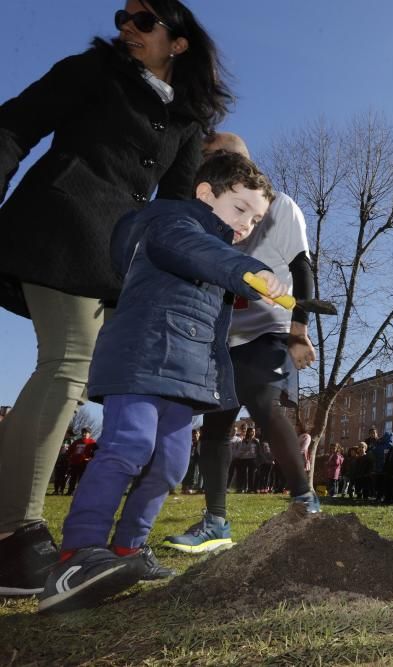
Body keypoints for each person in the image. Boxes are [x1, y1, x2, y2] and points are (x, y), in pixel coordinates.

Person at [0, 0, 232, 596]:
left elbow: (175, 213)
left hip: (116, 264)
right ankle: (13, 537)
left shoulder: (184, 119)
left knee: (97, 373)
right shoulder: (92, 72)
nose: (126, 27)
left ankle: (115, 542)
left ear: (177, 42)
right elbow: (13, 124)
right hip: (57, 227)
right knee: (68, 363)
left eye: (143, 19)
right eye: (122, 17)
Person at [38, 151, 286, 612]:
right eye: (240, 210)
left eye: (255, 220)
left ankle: (129, 549)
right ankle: (78, 553)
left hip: (181, 374)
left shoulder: (218, 252)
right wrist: (244, 271)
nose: (246, 225)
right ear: (205, 193)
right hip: (140, 357)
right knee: (129, 447)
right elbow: (190, 250)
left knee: (170, 465)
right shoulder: (171, 222)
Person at [162, 133, 320, 554]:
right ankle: (215, 521)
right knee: (215, 421)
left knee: (261, 398)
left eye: (223, 158)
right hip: (221, 334)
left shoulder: (278, 207)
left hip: (269, 328)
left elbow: (302, 269)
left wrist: (299, 331)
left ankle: (306, 502)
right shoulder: (202, 212)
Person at [66, 429, 99, 496]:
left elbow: (96, 453)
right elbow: (70, 450)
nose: (84, 434)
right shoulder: (76, 442)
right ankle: (70, 492)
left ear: (89, 434)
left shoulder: (92, 442)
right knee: (73, 478)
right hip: (75, 463)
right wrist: (69, 458)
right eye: (83, 433)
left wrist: (89, 458)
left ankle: (80, 493)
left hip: (84, 463)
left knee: (82, 479)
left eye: (86, 433)